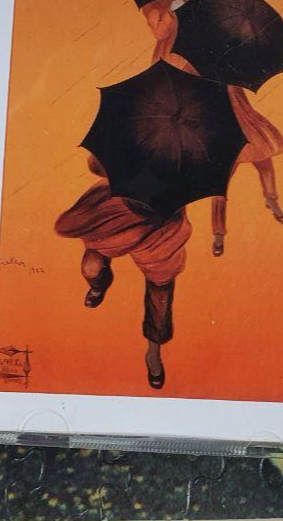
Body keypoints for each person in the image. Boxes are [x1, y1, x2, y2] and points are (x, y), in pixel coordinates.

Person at [141, 0, 283, 257]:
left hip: (239, 113)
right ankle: (218, 233)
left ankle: (271, 199)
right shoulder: (176, 42)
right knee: (221, 181)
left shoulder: (219, 38)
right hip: (216, 123)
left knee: (264, 158)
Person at [54, 153, 190, 389]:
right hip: (116, 208)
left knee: (160, 291)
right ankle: (100, 285)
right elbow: (95, 165)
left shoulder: (182, 162)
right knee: (91, 269)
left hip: (161, 231)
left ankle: (154, 350)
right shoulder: (115, 182)